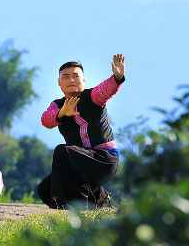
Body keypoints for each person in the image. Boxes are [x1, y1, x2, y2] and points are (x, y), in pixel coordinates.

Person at [37, 54, 126, 209]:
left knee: (63, 151)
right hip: (79, 163)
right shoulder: (57, 105)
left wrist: (117, 77)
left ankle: (71, 208)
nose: (71, 80)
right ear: (59, 82)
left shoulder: (92, 97)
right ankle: (97, 196)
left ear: (83, 80)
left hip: (103, 160)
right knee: (45, 189)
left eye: (75, 76)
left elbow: (105, 90)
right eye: (66, 77)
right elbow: (46, 120)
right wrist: (62, 113)